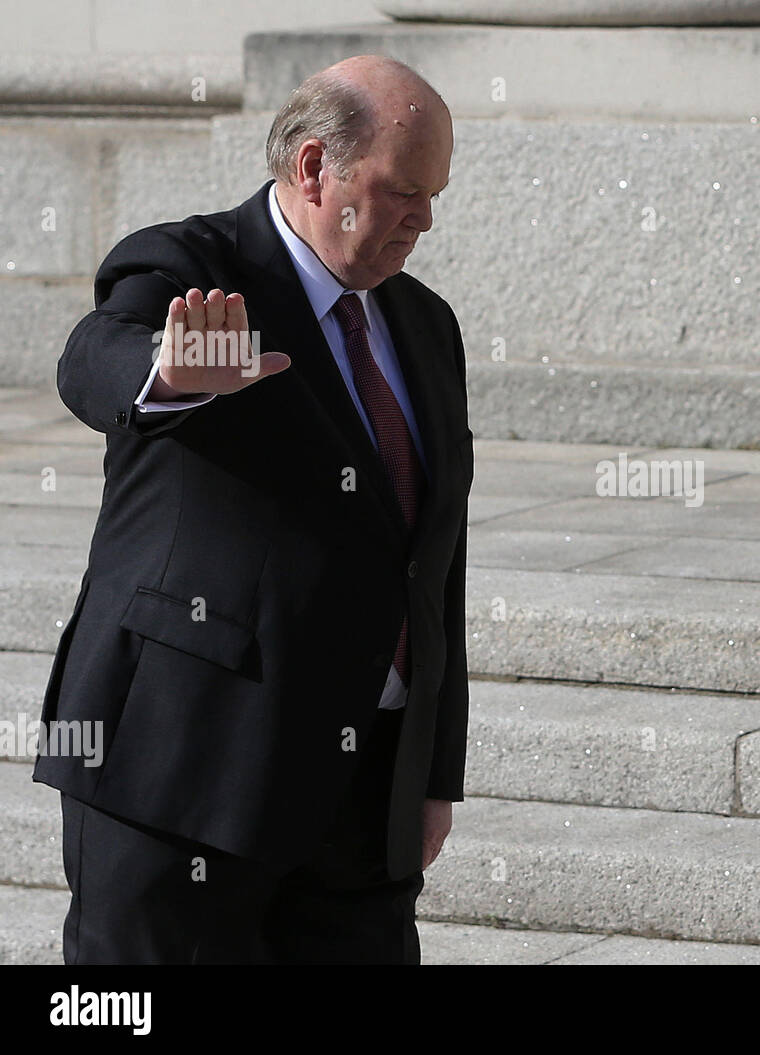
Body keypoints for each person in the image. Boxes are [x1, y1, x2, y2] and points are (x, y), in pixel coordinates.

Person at [34, 54, 472, 964]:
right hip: (184, 774)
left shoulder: (424, 325)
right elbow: (92, 356)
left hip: (361, 799)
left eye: (435, 193)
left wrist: (431, 772)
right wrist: (163, 375)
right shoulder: (192, 264)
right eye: (402, 190)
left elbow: (434, 559)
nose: (424, 218)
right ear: (315, 168)